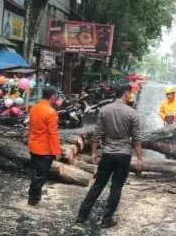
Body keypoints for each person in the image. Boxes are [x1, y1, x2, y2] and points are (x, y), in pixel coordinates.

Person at [76, 84, 143, 227]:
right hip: (123, 154)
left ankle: (81, 216)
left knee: (98, 184)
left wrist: (94, 152)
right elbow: (136, 138)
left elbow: (97, 133)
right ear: (125, 94)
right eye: (129, 94)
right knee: (116, 187)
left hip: (107, 153)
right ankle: (107, 220)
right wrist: (140, 158)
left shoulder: (104, 110)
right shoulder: (133, 113)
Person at [27, 86, 61, 206]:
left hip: (33, 146)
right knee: (41, 175)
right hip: (44, 150)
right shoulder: (51, 112)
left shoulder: (33, 108)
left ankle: (34, 196)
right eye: (56, 96)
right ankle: (33, 198)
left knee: (36, 173)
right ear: (52, 97)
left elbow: (30, 128)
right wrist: (56, 151)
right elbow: (52, 134)